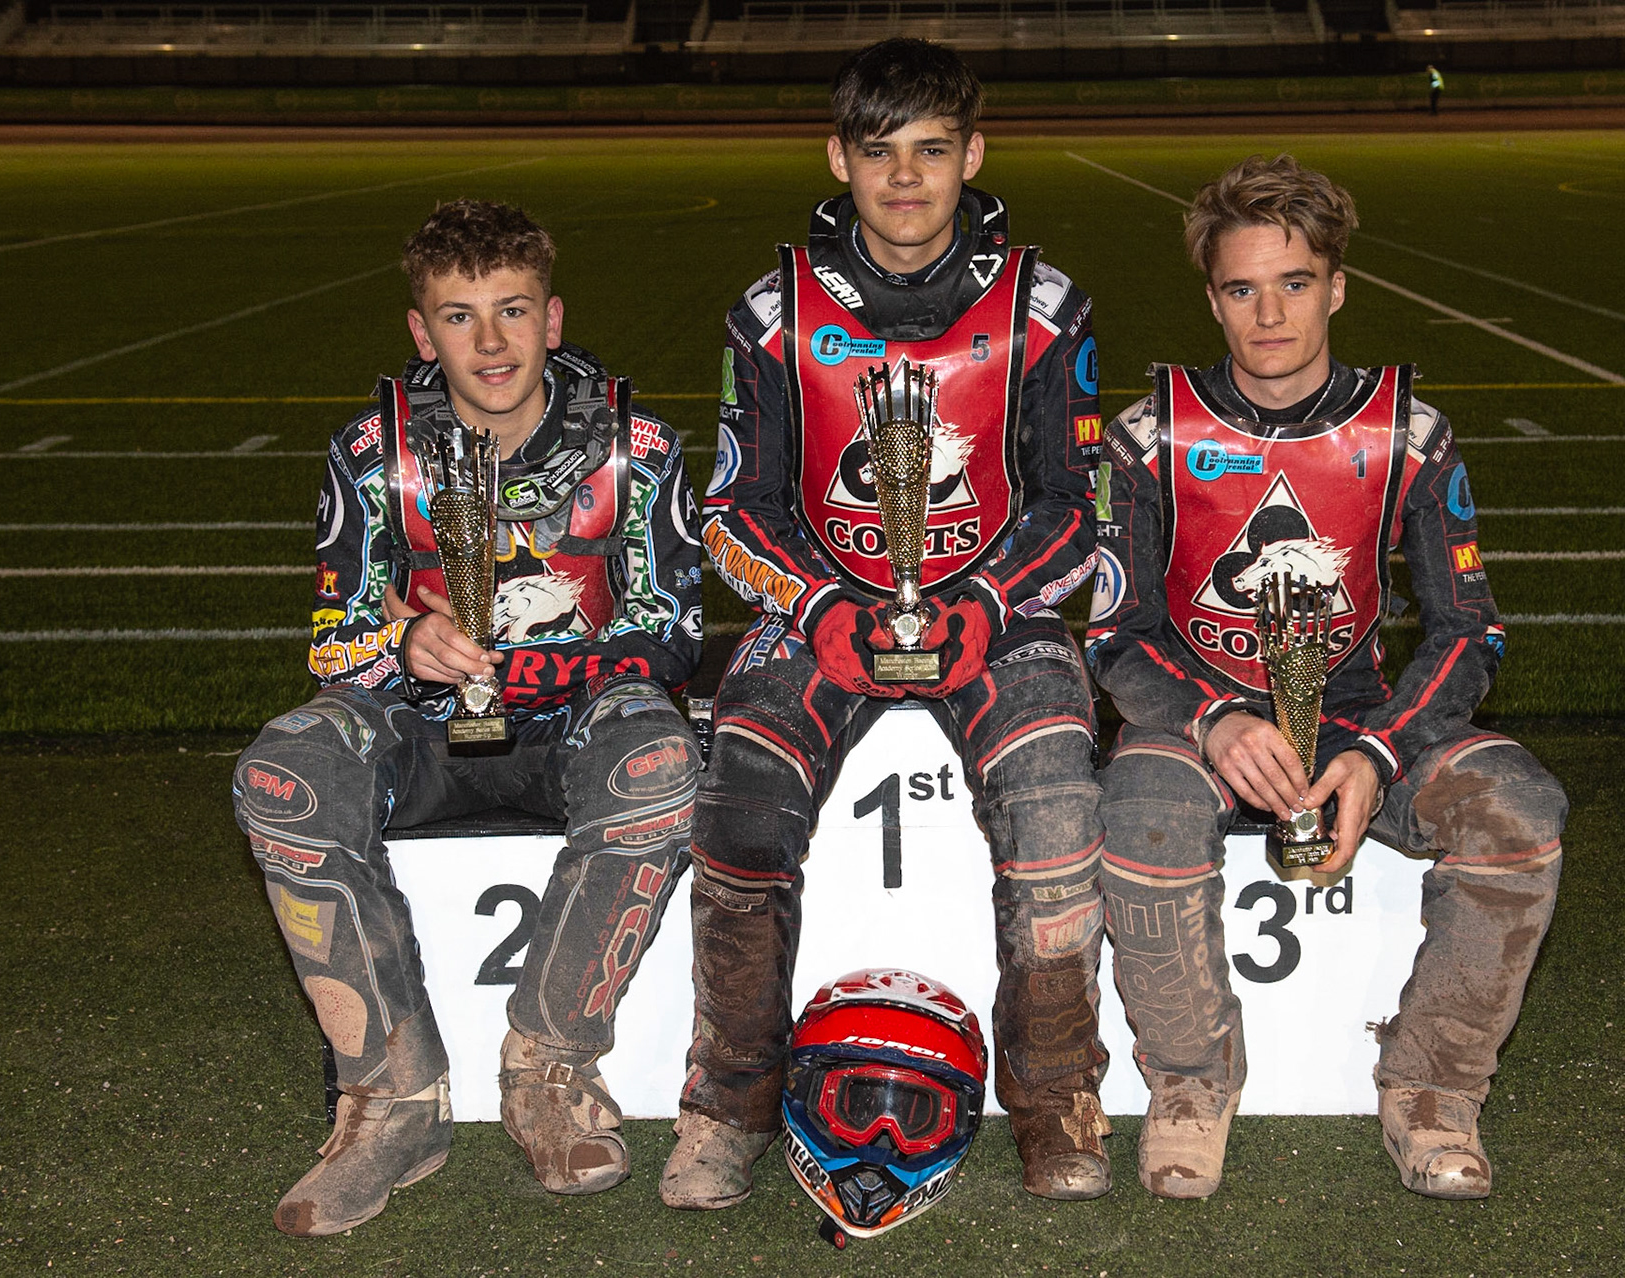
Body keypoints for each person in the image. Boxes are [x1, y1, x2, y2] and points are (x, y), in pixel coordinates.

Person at [664, 38, 1112, 1207]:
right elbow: (734, 507)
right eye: (879, 152)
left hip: (997, 612)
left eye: (930, 150)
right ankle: (728, 1103)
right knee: (741, 808)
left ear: (974, 154)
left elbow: (1078, 506)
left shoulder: (1045, 307)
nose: (905, 178)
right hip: (823, 610)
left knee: (1056, 811)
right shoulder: (773, 313)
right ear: (837, 159)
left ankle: (1056, 1099)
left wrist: (988, 601)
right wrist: (820, 607)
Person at [1088, 155, 1566, 1201]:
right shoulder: (1148, 436)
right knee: (1139, 802)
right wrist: (1212, 720)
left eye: (1294, 283)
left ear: (1337, 287)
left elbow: (1468, 630)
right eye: (1242, 288)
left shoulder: (1409, 433)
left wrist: (1379, 750)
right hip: (1205, 723)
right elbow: (1116, 634)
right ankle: (1190, 1086)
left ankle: (1433, 1091)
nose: (1269, 315)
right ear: (1211, 299)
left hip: (1354, 720)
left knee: (1519, 809)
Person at [233, 199, 703, 1235]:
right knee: (284, 777)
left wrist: (538, 664)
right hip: (419, 728)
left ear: (553, 317)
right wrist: (403, 644)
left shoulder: (635, 445)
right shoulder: (373, 451)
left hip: (573, 722)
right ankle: (393, 1103)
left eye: (513, 310)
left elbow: (671, 633)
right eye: (459, 316)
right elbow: (331, 640)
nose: (490, 343)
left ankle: (549, 1072)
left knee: (659, 762)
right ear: (421, 331)